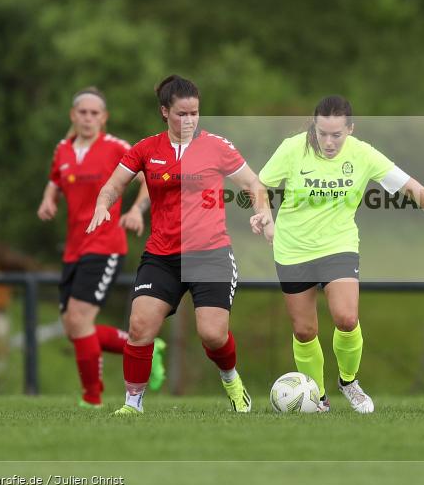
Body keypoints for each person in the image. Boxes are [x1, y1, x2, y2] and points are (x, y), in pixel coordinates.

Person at [250, 95, 424, 413]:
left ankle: (349, 382)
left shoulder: (363, 154)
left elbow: (414, 189)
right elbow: (259, 185)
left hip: (339, 246)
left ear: (350, 129)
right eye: (322, 133)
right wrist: (265, 217)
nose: (329, 142)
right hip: (292, 248)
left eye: (336, 134)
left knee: (346, 318)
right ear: (314, 127)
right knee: (304, 330)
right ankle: (316, 397)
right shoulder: (293, 148)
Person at [87, 75, 270, 415]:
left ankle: (231, 379)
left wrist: (264, 213)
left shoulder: (216, 145)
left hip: (210, 255)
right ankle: (133, 404)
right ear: (164, 112)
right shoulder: (146, 149)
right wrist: (102, 204)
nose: (189, 121)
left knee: (213, 335)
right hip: (162, 255)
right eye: (181, 114)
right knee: (140, 327)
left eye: (194, 113)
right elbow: (114, 185)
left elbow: (252, 183)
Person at [37, 87, 155, 408]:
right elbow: (54, 180)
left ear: (104, 118)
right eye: (82, 112)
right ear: (72, 116)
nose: (88, 118)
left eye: (94, 113)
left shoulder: (116, 147)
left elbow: (148, 177)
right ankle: (144, 347)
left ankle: (92, 398)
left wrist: (135, 210)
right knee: (74, 327)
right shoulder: (62, 149)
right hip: (73, 249)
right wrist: (49, 200)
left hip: (105, 245)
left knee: (79, 319)